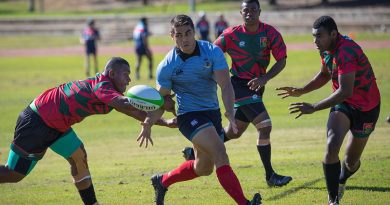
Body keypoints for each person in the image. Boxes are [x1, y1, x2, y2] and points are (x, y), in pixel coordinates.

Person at [0, 57, 176, 205]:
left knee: (79, 157)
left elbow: (135, 112)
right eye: (126, 75)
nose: (129, 80)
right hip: (37, 121)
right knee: (14, 174)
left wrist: (166, 122)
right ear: (112, 73)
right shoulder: (102, 86)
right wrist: (158, 102)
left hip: (58, 126)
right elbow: (123, 104)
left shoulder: (111, 91)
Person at [137, 14, 261, 205]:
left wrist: (229, 111)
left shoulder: (212, 52)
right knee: (220, 152)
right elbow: (161, 100)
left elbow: (226, 85)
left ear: (195, 32)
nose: (184, 39)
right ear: (172, 36)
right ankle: (244, 203)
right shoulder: (167, 66)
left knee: (203, 168)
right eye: (179, 35)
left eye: (188, 33)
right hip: (188, 116)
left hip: (212, 113)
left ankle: (162, 181)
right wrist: (148, 122)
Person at [183, 0, 292, 187]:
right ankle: (270, 176)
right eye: (245, 10)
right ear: (240, 13)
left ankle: (195, 151)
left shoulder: (270, 33)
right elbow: (211, 52)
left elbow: (281, 60)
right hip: (238, 85)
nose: (249, 13)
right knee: (264, 126)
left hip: (258, 85)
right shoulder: (230, 35)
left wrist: (265, 78)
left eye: (253, 10)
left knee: (235, 131)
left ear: (259, 11)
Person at [277, 16, 380, 205]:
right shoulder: (325, 49)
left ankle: (342, 178)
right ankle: (333, 200)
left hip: (367, 107)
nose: (315, 41)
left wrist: (314, 107)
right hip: (344, 105)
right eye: (313, 37)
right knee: (331, 147)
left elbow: (345, 90)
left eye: (319, 37)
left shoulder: (346, 51)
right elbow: (325, 74)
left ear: (333, 34)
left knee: (350, 163)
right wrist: (302, 90)